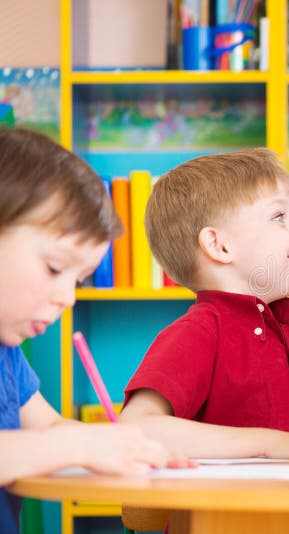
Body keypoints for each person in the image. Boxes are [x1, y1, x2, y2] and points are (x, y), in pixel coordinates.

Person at [0, 128, 184, 534]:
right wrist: (80, 446)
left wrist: (130, 446)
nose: (68, 298)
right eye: (54, 268)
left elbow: (46, 426)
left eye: (79, 280)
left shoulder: (6, 351)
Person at [120, 148, 289, 460]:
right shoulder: (198, 335)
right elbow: (135, 430)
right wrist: (269, 443)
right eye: (279, 217)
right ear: (219, 245)